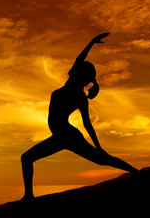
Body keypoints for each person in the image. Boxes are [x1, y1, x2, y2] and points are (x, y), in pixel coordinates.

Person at [20, 32, 138, 201]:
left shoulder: (77, 94)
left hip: (65, 135)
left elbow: (87, 123)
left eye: (76, 70)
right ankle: (134, 171)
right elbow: (79, 59)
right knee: (100, 159)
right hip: (66, 135)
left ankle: (29, 196)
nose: (72, 70)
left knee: (26, 158)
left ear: (78, 75)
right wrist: (91, 42)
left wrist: (98, 145)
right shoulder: (77, 92)